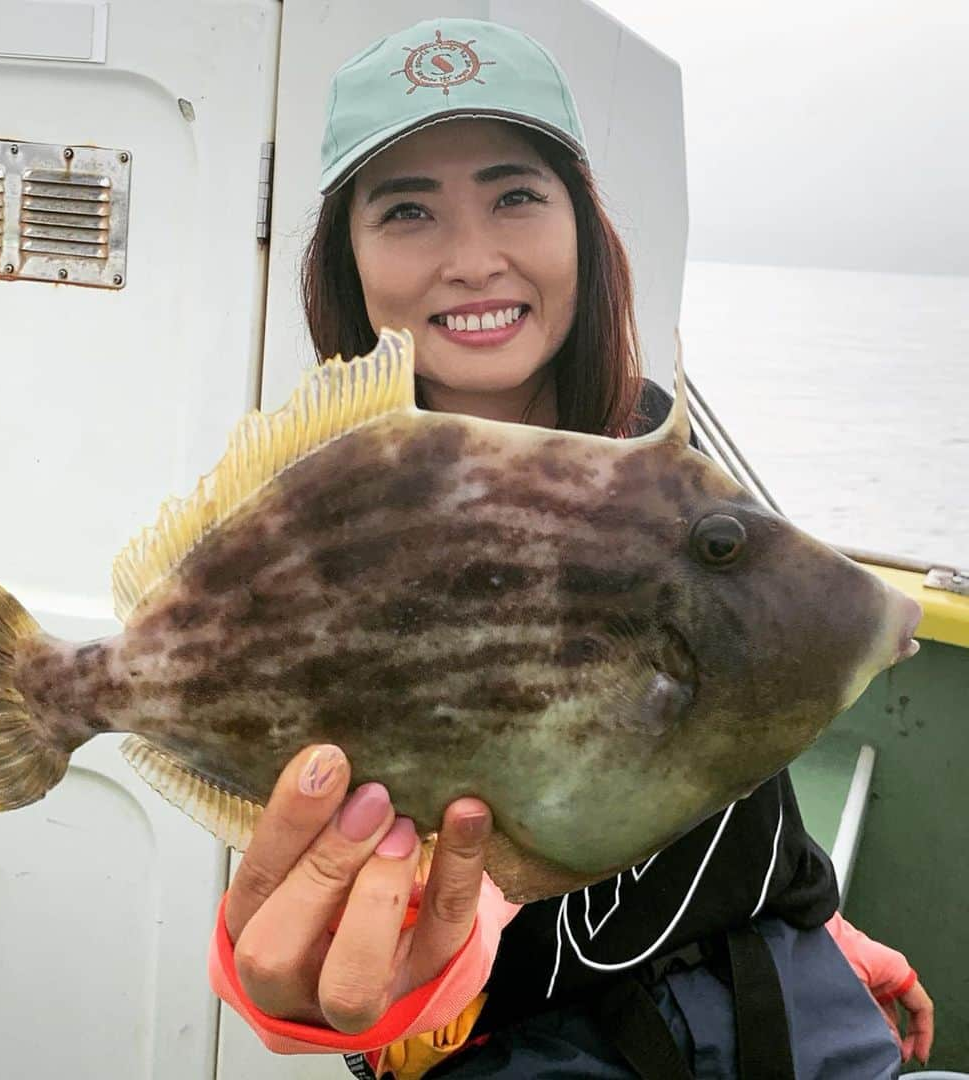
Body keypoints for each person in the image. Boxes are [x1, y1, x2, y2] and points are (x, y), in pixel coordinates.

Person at [208, 17, 934, 1079]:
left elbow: (734, 736)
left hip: (785, 998)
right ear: (346, 259)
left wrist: (819, 919)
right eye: (407, 210)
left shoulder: (659, 452)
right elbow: (318, 877)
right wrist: (302, 994)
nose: (472, 258)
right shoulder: (319, 522)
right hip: (518, 1047)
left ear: (582, 226)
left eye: (515, 194)